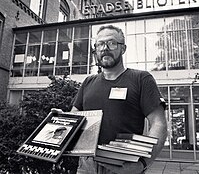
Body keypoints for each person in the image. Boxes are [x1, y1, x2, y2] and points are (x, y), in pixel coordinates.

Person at [53, 25, 167, 174]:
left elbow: (159, 124)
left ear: (123, 49)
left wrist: (143, 164)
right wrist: (62, 119)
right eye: (100, 44)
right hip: (86, 166)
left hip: (124, 165)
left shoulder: (141, 79)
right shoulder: (88, 82)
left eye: (112, 43)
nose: (104, 48)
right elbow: (75, 117)